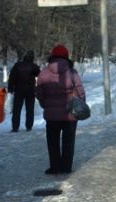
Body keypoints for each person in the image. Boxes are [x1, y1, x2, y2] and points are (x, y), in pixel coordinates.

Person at [35, 44, 85, 175]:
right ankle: (66, 167)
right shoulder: (72, 73)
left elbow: (39, 93)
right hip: (70, 114)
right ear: (66, 57)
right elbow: (80, 92)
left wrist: (45, 104)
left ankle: (55, 167)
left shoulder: (44, 73)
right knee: (69, 141)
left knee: (52, 141)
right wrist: (80, 105)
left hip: (52, 115)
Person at [7, 50, 40, 132]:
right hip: (30, 90)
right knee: (30, 109)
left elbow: (12, 77)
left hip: (19, 90)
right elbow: (39, 74)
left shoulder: (17, 65)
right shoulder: (33, 66)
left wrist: (10, 88)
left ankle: (15, 127)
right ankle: (29, 126)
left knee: (16, 109)